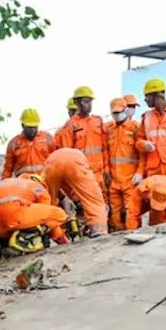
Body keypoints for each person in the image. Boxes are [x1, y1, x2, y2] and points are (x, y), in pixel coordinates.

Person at [55, 87, 109, 237]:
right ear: (77, 103)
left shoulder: (98, 121)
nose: (88, 105)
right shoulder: (70, 126)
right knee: (83, 213)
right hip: (81, 176)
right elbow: (67, 156)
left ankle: (100, 237)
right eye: (85, 102)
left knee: (101, 211)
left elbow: (105, 148)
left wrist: (107, 171)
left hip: (98, 176)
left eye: (90, 101)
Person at [0, 175, 69, 256]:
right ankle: (22, 238)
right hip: (13, 215)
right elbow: (46, 217)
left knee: (7, 225)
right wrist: (61, 238)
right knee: (59, 214)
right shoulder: (38, 187)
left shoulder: (7, 183)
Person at [105, 96, 149, 232]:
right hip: (113, 181)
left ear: (125, 110)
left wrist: (140, 173)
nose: (117, 116)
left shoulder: (135, 127)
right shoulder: (109, 129)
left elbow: (142, 154)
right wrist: (106, 172)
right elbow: (106, 153)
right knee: (116, 217)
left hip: (130, 180)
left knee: (131, 214)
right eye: (115, 113)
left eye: (119, 112)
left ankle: (134, 238)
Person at [41, 147, 107, 236]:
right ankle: (99, 231)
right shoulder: (92, 173)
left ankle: (47, 234)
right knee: (95, 203)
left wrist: (63, 198)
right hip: (75, 160)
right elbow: (91, 192)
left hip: (51, 162)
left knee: (47, 203)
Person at [2, 109, 55, 179]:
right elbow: (7, 169)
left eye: (35, 127)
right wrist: (4, 186)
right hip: (23, 184)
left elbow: (56, 161)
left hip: (44, 183)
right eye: (30, 127)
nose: (33, 130)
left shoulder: (48, 139)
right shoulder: (14, 144)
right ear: (22, 125)